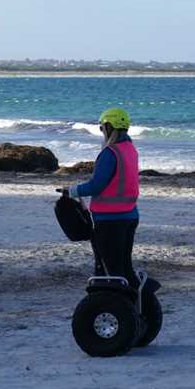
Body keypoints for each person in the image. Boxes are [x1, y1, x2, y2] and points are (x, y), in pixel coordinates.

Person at [66, 108, 145, 289]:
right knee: (125, 268)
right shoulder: (130, 150)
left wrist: (72, 191)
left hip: (110, 220)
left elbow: (96, 186)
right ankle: (137, 306)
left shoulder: (110, 153)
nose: (102, 132)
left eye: (102, 128)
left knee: (112, 271)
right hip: (130, 216)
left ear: (109, 127)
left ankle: (119, 309)